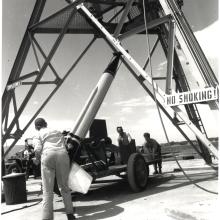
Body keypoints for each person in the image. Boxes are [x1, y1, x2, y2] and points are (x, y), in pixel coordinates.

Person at [32, 118, 75, 220]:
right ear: (46, 124)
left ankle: (47, 218)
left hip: (48, 155)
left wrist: (37, 159)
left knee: (47, 190)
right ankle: (70, 215)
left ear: (36, 127)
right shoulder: (56, 131)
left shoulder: (37, 134)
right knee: (64, 187)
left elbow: (38, 149)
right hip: (62, 155)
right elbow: (66, 145)